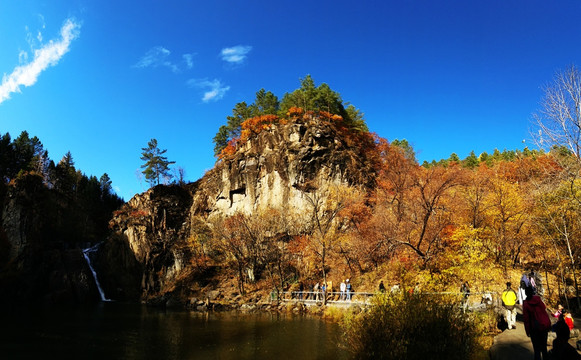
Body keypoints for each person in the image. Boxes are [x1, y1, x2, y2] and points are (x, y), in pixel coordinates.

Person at [523, 286, 551, 360]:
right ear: (532, 292)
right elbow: (544, 310)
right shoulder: (538, 299)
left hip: (534, 328)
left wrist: (527, 331)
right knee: (544, 348)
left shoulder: (526, 304)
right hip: (544, 325)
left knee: (537, 349)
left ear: (525, 293)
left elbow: (526, 319)